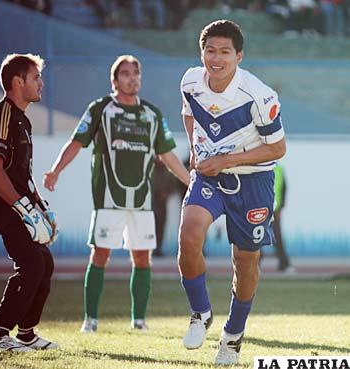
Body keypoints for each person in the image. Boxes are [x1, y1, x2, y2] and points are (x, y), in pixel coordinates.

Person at [43, 55, 189, 332]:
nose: (132, 78)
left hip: (143, 202)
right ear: (114, 80)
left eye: (136, 73)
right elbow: (77, 143)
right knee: (100, 256)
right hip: (108, 201)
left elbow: (168, 155)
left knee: (143, 258)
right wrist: (55, 170)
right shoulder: (100, 109)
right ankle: (91, 320)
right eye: (125, 73)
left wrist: (190, 180)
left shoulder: (152, 114)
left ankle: (139, 320)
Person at [178, 20, 286, 365]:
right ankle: (200, 313)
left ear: (239, 55)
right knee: (190, 233)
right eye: (210, 50)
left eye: (225, 52)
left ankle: (232, 337)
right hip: (210, 176)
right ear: (201, 53)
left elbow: (278, 148)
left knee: (246, 261)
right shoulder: (190, 81)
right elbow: (189, 114)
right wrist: (197, 149)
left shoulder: (259, 95)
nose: (216, 58)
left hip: (252, 182)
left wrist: (227, 159)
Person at [0, 53, 59, 352]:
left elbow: (21, 174)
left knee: (44, 261)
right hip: (2, 203)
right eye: (36, 77)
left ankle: (26, 332)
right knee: (31, 261)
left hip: (18, 203)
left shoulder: (21, 119)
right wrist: (22, 208)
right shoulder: (2, 115)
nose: (41, 83)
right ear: (18, 81)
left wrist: (40, 206)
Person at [273, 163, 292, 271]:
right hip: (262, 209)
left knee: (278, 238)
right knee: (257, 238)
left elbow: (284, 188)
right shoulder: (260, 167)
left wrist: (282, 205)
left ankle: (284, 264)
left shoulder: (279, 169)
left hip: (276, 209)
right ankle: (255, 265)